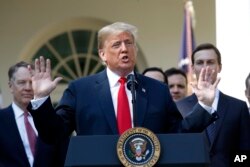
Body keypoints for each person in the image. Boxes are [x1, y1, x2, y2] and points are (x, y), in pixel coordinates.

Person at [28, 22, 219, 163]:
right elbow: (54, 135)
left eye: (129, 43)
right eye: (116, 45)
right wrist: (42, 100)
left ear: (135, 49)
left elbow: (179, 134)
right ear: (102, 54)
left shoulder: (157, 90)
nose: (124, 49)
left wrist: (204, 106)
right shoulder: (80, 90)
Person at [176, 43, 250, 167]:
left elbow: (245, 151)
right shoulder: (179, 106)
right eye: (200, 63)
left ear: (219, 67)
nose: (205, 68)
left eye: (210, 62)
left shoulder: (238, 107)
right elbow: (177, 146)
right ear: (193, 68)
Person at [0, 61, 63, 167]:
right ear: (11, 86)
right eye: (22, 82)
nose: (28, 88)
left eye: (32, 82)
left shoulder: (49, 120)